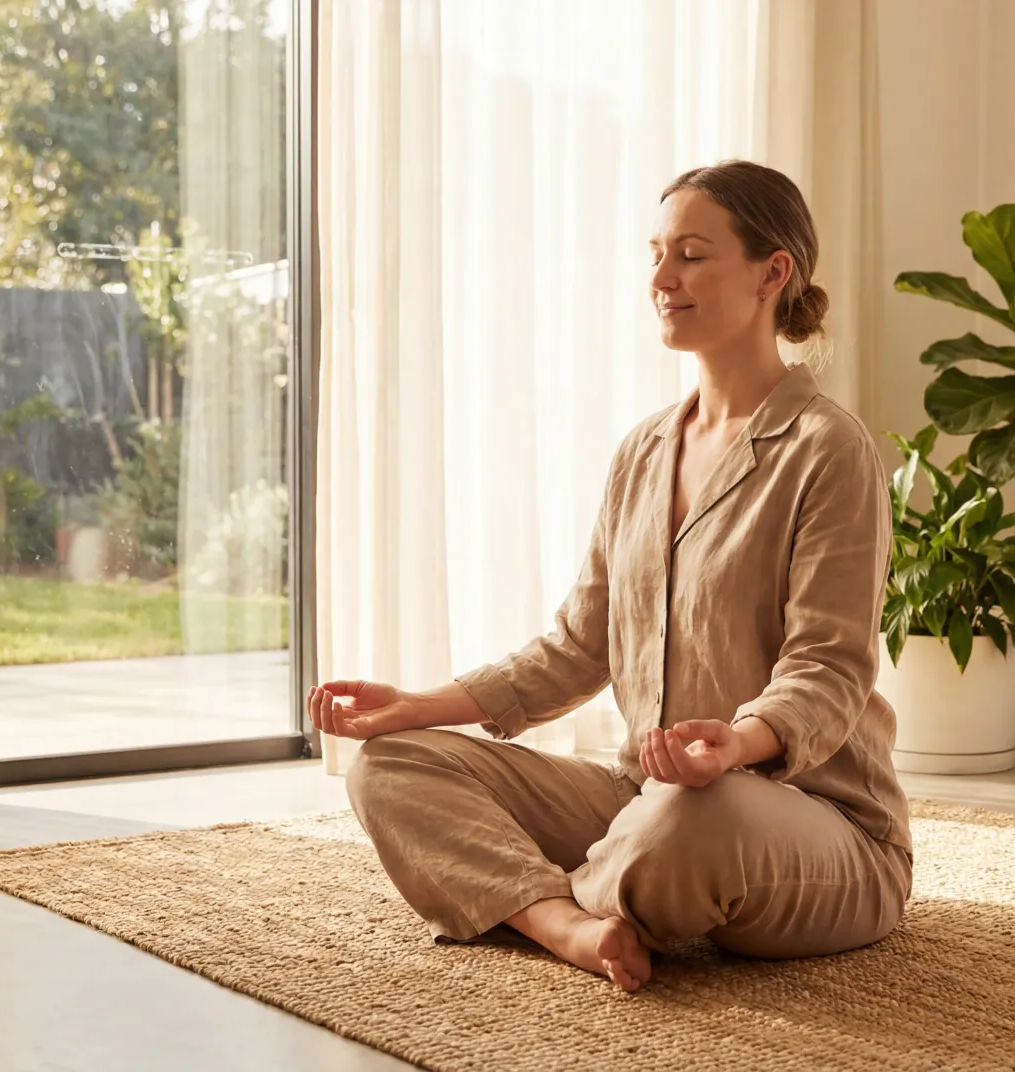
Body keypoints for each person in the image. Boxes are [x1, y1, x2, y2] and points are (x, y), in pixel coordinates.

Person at [308, 159, 912, 992]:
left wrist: (734, 745)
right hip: (642, 797)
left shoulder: (828, 450)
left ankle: (551, 895)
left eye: (692, 255)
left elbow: (827, 670)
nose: (661, 280)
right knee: (393, 766)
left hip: (811, 823)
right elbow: (575, 646)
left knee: (700, 810)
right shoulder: (643, 451)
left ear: (773, 273)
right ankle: (565, 924)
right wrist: (420, 706)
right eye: (656, 255)